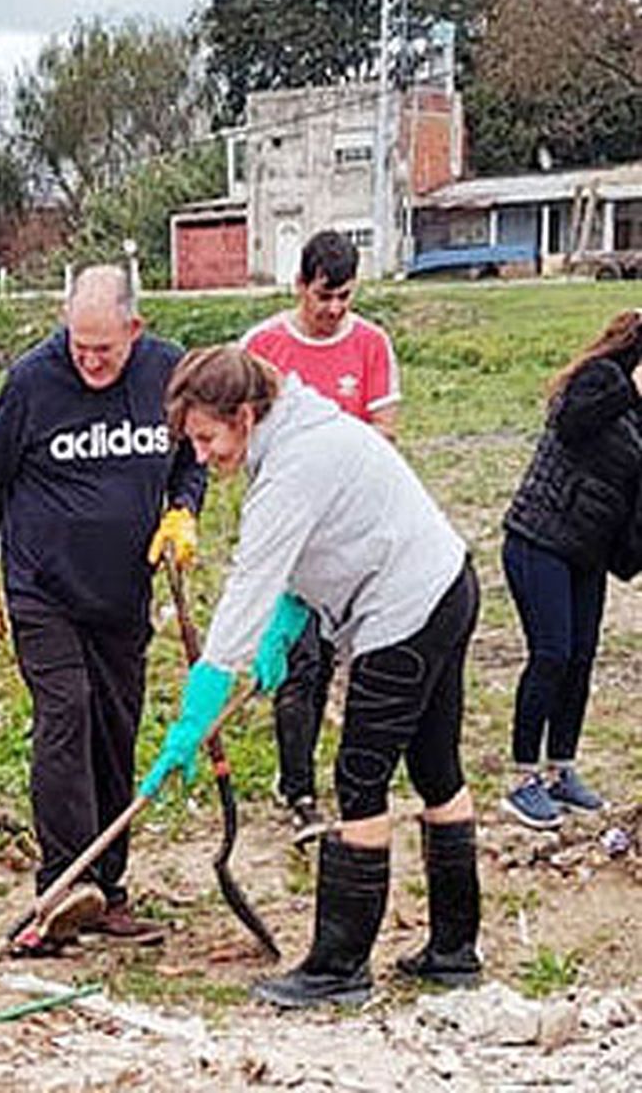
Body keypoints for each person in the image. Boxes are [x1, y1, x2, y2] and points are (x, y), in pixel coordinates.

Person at [142, 345, 481, 1008]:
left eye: (208, 438)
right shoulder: (295, 428)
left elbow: (249, 585)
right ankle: (453, 952)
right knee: (437, 768)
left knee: (359, 780)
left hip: (406, 607)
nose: (203, 457)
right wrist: (287, 625)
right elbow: (321, 540)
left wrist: (196, 713)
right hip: (446, 583)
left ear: (243, 414)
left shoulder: (295, 463)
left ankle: (338, 967)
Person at [0, 265, 207, 949]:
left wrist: (183, 511)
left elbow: (192, 455)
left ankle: (111, 888)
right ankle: (63, 887)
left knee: (114, 731)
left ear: (136, 328)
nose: (90, 360)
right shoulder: (34, 381)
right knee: (66, 714)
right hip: (45, 588)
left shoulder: (166, 372)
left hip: (124, 592)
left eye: (105, 347)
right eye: (79, 345)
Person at [239, 230, 401, 840]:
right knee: (299, 661)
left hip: (353, 535)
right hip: (289, 535)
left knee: (339, 656)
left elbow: (385, 430)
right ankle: (298, 788)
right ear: (300, 285)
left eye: (345, 297)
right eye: (324, 296)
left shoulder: (371, 344)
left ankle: (347, 781)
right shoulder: (263, 346)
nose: (334, 309)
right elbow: (239, 431)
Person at [499, 310, 642, 829]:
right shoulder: (601, 379)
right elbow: (572, 421)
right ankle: (521, 780)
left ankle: (561, 770)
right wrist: (633, 387)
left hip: (588, 553)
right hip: (538, 539)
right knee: (552, 654)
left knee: (582, 659)